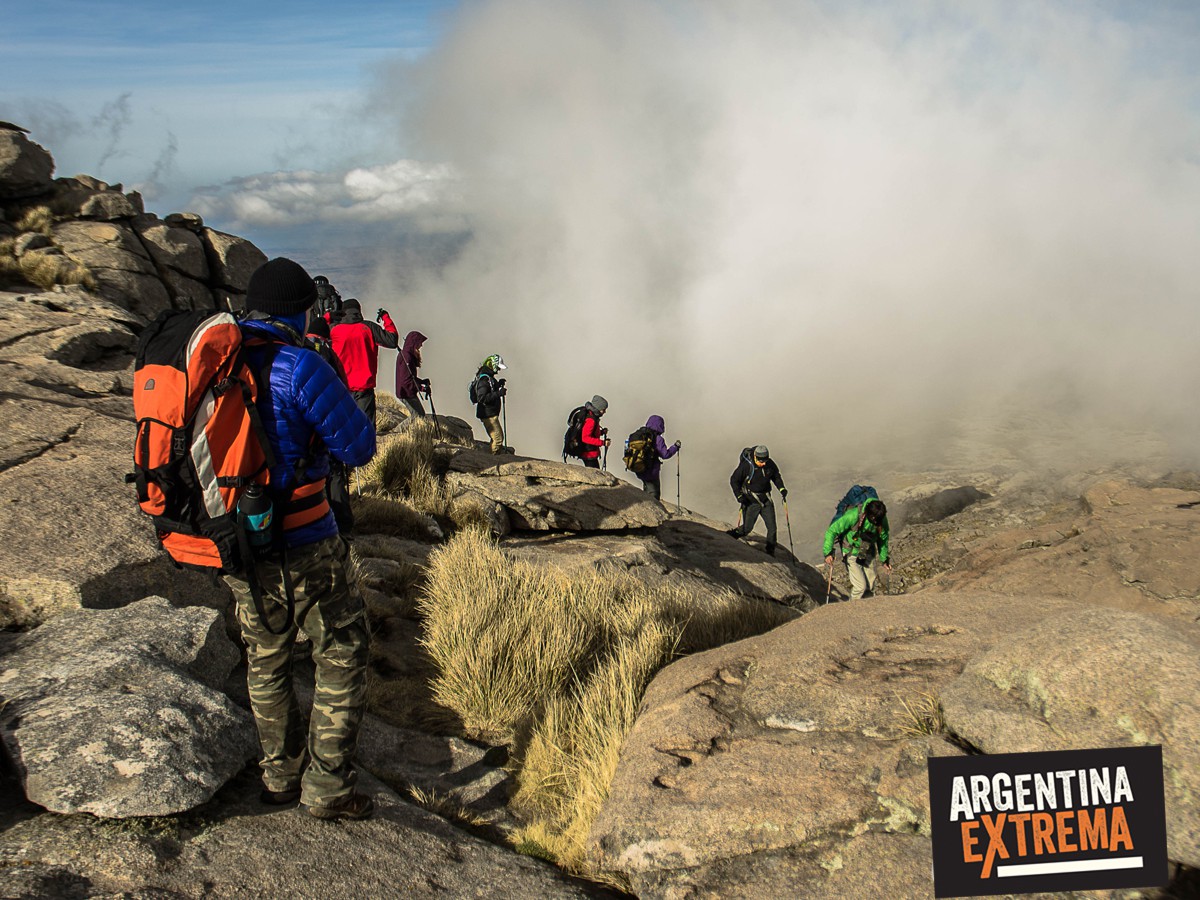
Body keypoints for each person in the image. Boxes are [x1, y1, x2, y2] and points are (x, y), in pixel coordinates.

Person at [229, 257, 376, 820]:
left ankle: (278, 777)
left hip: (241, 540)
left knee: (265, 658)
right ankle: (327, 789)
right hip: (307, 536)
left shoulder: (218, 362)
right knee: (341, 650)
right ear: (304, 309)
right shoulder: (300, 366)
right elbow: (358, 448)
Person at [304, 316, 354, 535]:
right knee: (335, 474)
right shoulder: (329, 354)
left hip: (303, 425)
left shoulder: (297, 349)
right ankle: (343, 525)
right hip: (329, 421)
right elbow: (344, 388)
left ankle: (316, 519)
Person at [329, 298, 398, 428]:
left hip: (340, 385)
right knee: (365, 428)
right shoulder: (368, 327)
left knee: (343, 427)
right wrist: (386, 318)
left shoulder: (333, 330)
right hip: (364, 387)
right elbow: (392, 341)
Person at [824, 498, 891, 600]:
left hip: (868, 550)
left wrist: (884, 559)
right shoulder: (853, 515)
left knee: (870, 585)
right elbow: (832, 530)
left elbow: (883, 539)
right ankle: (852, 611)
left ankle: (867, 610)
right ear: (871, 515)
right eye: (875, 520)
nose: (877, 523)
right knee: (860, 587)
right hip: (852, 551)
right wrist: (828, 552)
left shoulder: (881, 518)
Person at [727, 445, 787, 555]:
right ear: (755, 457)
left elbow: (776, 476)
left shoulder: (769, 463)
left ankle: (770, 551)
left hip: (766, 500)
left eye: (765, 460)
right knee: (747, 528)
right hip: (751, 501)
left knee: (772, 528)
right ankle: (732, 535)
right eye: (761, 461)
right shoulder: (747, 466)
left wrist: (782, 488)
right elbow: (734, 480)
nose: (763, 463)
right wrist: (739, 496)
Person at [634, 415, 680, 501]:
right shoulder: (657, 439)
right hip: (651, 471)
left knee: (646, 489)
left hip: (640, 468)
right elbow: (665, 454)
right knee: (653, 494)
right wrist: (675, 447)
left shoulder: (641, 435)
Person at [472, 353, 508, 454]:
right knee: (498, 439)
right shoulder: (484, 379)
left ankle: (493, 457)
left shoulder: (487, 377)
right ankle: (493, 460)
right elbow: (482, 397)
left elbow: (488, 390)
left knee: (497, 437)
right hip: (488, 415)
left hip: (490, 414)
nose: (498, 370)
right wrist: (498, 393)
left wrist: (498, 384)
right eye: (497, 367)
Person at [395, 330, 430, 418]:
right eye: (419, 343)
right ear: (414, 343)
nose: (421, 345)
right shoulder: (407, 357)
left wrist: (421, 381)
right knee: (418, 416)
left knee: (419, 415)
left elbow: (410, 377)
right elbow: (406, 381)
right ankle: (397, 431)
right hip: (406, 393)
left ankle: (398, 431)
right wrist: (422, 388)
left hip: (406, 392)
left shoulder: (406, 355)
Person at [579, 395, 610, 469]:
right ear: (598, 408)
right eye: (603, 409)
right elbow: (585, 438)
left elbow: (592, 432)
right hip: (589, 454)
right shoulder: (591, 420)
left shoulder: (591, 415)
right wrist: (603, 443)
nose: (604, 412)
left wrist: (602, 432)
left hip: (589, 453)